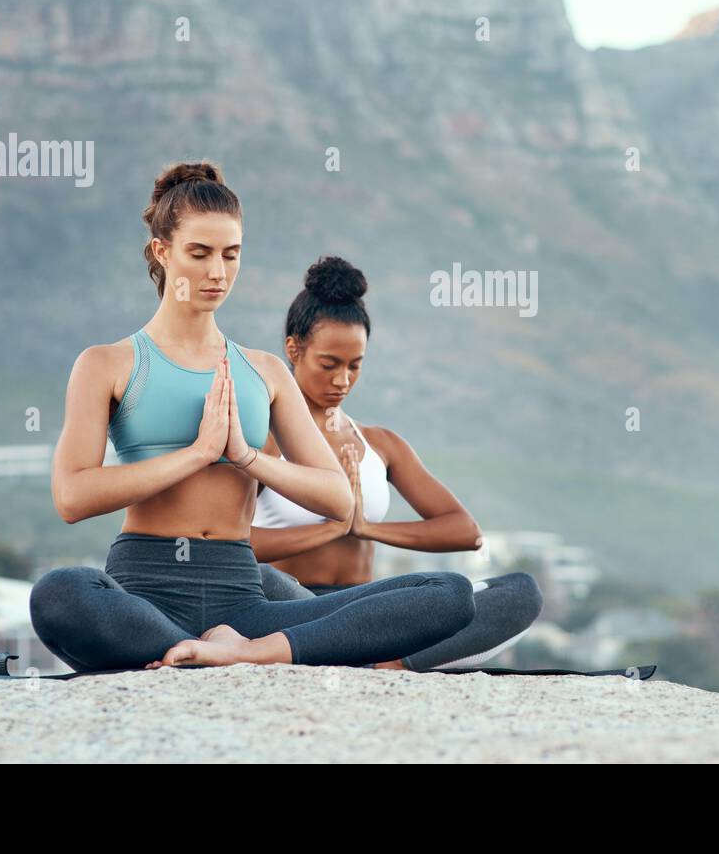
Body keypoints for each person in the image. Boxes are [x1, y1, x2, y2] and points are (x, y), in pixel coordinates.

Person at [29, 162, 476, 672]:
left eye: (230, 254)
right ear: (162, 252)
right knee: (59, 592)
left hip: (241, 600)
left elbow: (335, 497)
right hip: (144, 589)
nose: (217, 272)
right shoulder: (107, 363)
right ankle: (194, 647)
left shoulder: (265, 372)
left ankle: (241, 653)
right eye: (199, 254)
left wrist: (245, 458)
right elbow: (72, 497)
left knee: (446, 592)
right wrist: (197, 454)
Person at [251, 256, 543, 671]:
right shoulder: (264, 437)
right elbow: (228, 543)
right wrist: (329, 529)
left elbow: (464, 531)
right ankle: (362, 654)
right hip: (291, 606)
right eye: (329, 364)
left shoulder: (380, 445)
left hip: (367, 609)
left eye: (355, 366)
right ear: (293, 349)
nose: (342, 381)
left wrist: (367, 529)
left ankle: (390, 661)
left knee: (518, 591)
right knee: (261, 580)